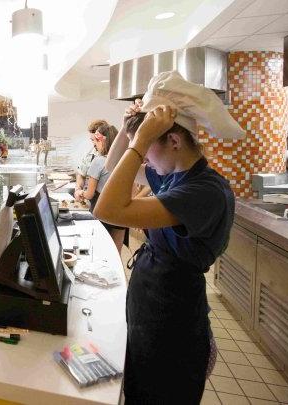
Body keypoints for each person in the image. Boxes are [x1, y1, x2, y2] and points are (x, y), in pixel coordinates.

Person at [96, 71, 244, 403]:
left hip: (173, 330)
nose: (145, 159)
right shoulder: (173, 176)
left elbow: (107, 208)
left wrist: (142, 138)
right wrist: (130, 129)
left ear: (174, 141)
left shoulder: (204, 190)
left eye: (149, 149)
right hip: (152, 315)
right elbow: (112, 164)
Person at [75, 120, 126, 253]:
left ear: (103, 141)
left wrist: (80, 193)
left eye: (96, 142)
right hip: (122, 211)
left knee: (99, 250)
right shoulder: (124, 160)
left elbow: (90, 194)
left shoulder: (98, 161)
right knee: (116, 251)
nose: (94, 146)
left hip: (102, 210)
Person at [73, 120, 108, 200]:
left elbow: (89, 194)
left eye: (96, 140)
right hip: (91, 199)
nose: (93, 144)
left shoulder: (103, 159)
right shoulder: (90, 154)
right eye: (92, 140)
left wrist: (83, 193)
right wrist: (78, 189)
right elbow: (81, 174)